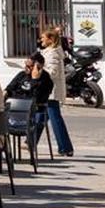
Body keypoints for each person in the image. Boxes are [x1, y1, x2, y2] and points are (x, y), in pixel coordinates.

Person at [39, 28, 75, 157]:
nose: (41, 40)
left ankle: (65, 147)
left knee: (54, 119)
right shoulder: (49, 52)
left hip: (51, 91)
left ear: (50, 39)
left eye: (43, 37)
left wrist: (39, 70)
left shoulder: (52, 53)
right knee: (40, 117)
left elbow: (52, 72)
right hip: (47, 91)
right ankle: (30, 142)